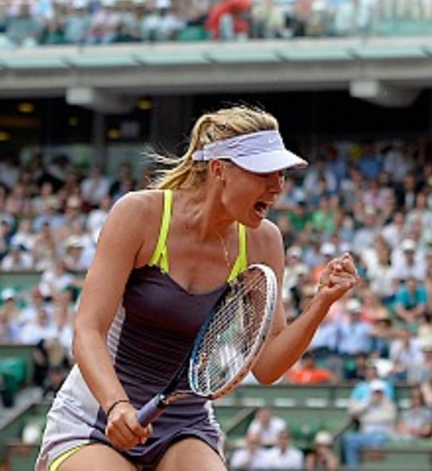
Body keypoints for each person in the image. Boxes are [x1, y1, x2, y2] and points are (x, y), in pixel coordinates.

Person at [35, 106, 360, 471]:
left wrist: (321, 303)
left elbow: (267, 366)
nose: (278, 185)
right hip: (97, 415)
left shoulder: (264, 241)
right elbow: (87, 330)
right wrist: (117, 405)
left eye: (281, 173)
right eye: (264, 173)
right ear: (220, 169)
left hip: (184, 425)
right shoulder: (139, 214)